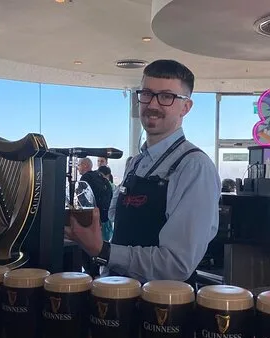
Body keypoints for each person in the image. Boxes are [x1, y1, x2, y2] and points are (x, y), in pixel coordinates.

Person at [65, 59, 221, 283]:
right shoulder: (136, 163)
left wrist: (103, 251)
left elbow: (176, 265)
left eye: (166, 96)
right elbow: (119, 222)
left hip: (162, 302)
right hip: (118, 291)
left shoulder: (194, 167)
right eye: (147, 94)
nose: (153, 104)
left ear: (186, 107)